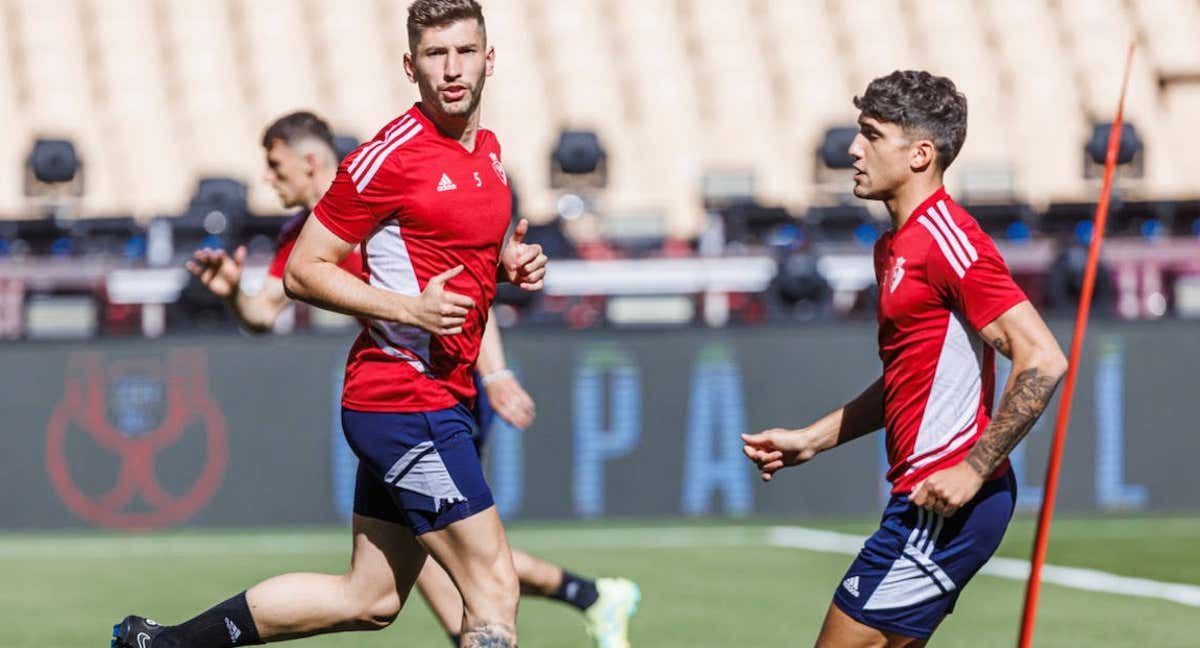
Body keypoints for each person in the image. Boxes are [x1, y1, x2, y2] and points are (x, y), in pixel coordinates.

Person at [112, 1, 547, 646]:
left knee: (369, 598)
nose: (451, 69)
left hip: (439, 395)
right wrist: (411, 310)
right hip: (404, 398)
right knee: (493, 590)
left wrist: (503, 264)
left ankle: (169, 644)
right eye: (434, 54)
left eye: (463, 52)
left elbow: (452, 259)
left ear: (489, 59)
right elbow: (302, 273)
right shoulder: (388, 157)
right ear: (411, 66)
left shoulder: (487, 153)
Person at [185, 87, 639, 648]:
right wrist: (233, 294)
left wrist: (494, 375)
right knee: (445, 573)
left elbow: (462, 293)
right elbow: (263, 312)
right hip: (404, 396)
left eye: (275, 167)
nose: (269, 181)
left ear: (309, 161)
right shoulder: (306, 236)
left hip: (446, 387)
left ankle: (584, 598)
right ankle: (587, 597)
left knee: (443, 570)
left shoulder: (384, 191)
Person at [742, 70, 1068, 647]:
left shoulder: (948, 241)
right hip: (924, 502)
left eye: (871, 135)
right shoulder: (893, 246)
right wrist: (813, 439)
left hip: (942, 508)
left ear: (920, 154)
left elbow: (1042, 357)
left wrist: (971, 468)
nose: (852, 149)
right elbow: (905, 382)